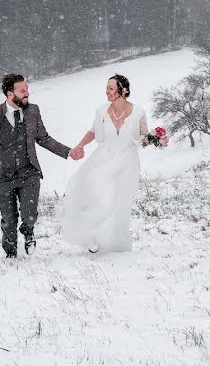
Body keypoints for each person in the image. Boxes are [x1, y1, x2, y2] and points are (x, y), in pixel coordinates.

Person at [0, 74, 82, 258]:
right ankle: (10, 255)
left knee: (30, 214)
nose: (27, 93)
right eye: (22, 90)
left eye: (27, 89)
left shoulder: (33, 111)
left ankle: (28, 233)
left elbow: (43, 138)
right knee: (9, 220)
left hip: (28, 173)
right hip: (2, 177)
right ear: (10, 94)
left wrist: (68, 151)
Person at [60, 74, 148, 254]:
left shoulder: (139, 112)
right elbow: (93, 131)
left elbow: (143, 137)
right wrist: (79, 146)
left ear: (123, 91)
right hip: (103, 160)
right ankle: (90, 236)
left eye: (111, 88)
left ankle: (117, 243)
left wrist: (157, 139)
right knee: (103, 200)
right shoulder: (101, 111)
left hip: (128, 162)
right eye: (106, 88)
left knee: (121, 204)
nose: (106, 92)